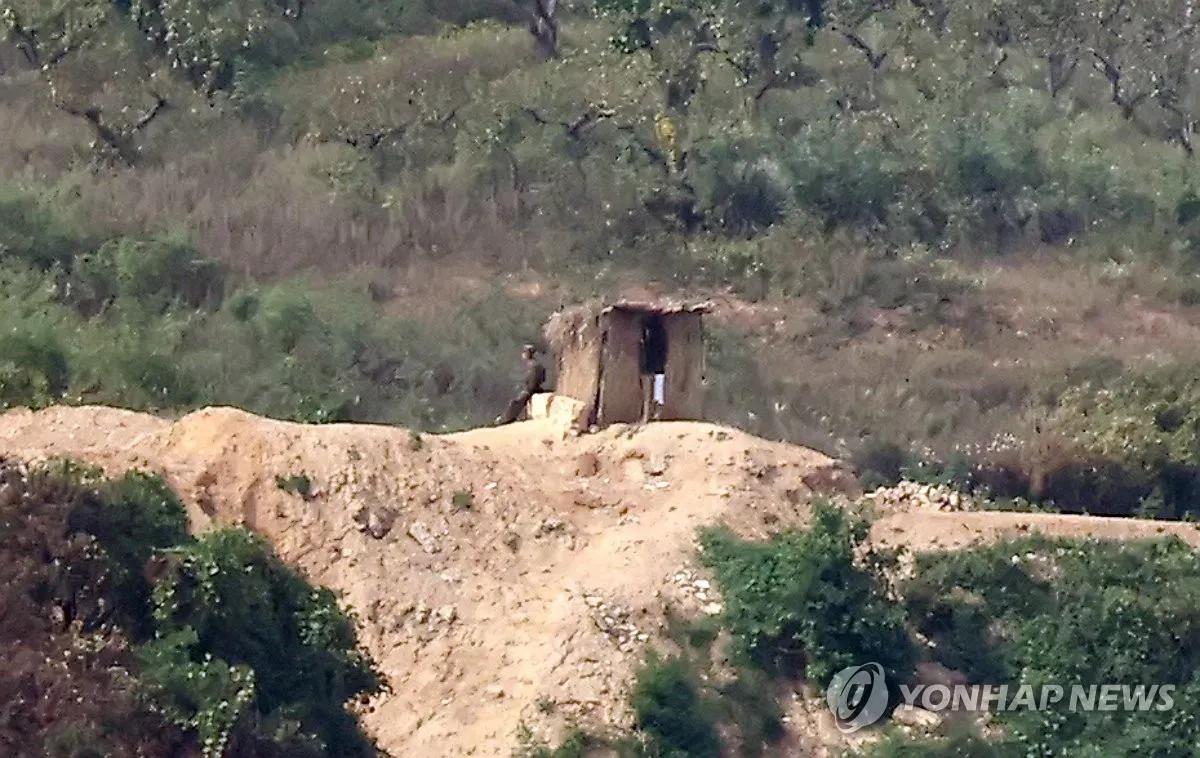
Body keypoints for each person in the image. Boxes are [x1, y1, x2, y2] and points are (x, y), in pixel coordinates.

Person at [496, 344, 546, 425]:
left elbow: (531, 383)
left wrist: (527, 389)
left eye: (524, 352)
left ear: (528, 354)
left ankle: (507, 419)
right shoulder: (537, 364)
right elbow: (543, 379)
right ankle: (507, 418)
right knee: (516, 400)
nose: (523, 354)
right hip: (535, 388)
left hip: (531, 389)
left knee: (516, 402)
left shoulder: (532, 366)